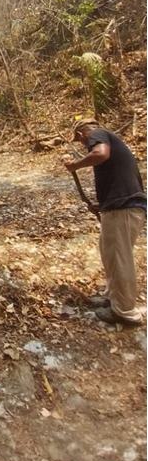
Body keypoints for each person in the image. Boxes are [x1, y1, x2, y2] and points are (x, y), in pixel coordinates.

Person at [63, 118, 146, 326]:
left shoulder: (97, 134)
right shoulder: (110, 139)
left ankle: (126, 312)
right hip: (120, 207)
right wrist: (102, 206)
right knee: (110, 255)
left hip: (124, 208)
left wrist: (75, 165)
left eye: (81, 141)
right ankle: (112, 298)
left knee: (119, 258)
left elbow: (101, 154)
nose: (84, 144)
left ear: (82, 134)